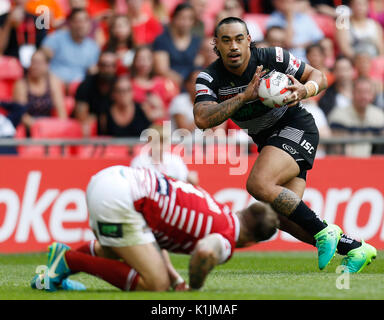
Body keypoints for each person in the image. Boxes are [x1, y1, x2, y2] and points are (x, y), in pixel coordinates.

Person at [193, 17, 376, 272]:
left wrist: (305, 90)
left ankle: (325, 232)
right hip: (269, 141)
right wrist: (245, 96)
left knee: (258, 184)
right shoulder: (209, 78)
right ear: (216, 45)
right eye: (226, 41)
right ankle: (355, 248)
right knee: (279, 216)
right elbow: (202, 119)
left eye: (238, 39)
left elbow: (318, 76)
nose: (233, 46)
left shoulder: (272, 57)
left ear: (248, 40)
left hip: (297, 127)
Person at [31, 165, 280, 291]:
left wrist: (177, 279)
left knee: (127, 252)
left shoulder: (216, 208)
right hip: (121, 197)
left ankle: (55, 268)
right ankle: (69, 261)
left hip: (113, 178)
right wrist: (194, 288)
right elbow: (205, 251)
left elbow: (156, 240)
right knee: (155, 283)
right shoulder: (226, 238)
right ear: (251, 242)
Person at [328, 77, 384, 157]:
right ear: (353, 93)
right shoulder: (339, 115)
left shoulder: (379, 115)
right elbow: (337, 149)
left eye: (367, 92)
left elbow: (383, 145)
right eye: (360, 92)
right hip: (346, 163)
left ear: (372, 95)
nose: (364, 96)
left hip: (373, 164)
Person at [12, 49, 67, 134]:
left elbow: (61, 111)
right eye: (33, 62)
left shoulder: (53, 82)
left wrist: (59, 128)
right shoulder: (21, 84)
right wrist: (38, 127)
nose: (35, 66)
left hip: (49, 127)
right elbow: (21, 114)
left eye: (39, 63)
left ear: (47, 65)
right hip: (29, 128)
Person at [41, 8, 100, 85]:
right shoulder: (56, 39)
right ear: (70, 23)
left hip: (79, 88)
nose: (81, 25)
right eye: (78, 21)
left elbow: (92, 71)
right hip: (54, 84)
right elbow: (41, 59)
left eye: (85, 21)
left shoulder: (92, 47)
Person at [152, 3, 202, 88]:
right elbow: (161, 69)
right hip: (169, 84)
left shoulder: (197, 41)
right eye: (182, 18)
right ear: (174, 18)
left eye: (189, 19)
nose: (185, 22)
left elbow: (199, 64)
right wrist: (184, 83)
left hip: (192, 85)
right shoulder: (162, 40)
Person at [131, 124, 199, 185]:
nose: (159, 146)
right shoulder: (139, 162)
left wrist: (191, 179)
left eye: (163, 141)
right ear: (148, 142)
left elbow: (187, 183)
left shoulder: (175, 160)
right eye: (155, 141)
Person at [98, 75, 163, 137]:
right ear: (113, 94)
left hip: (140, 148)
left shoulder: (143, 109)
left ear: (132, 92)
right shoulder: (105, 115)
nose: (123, 94)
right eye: (119, 91)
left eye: (127, 90)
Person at [74, 50, 117, 136]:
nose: (107, 69)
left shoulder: (120, 86)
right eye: (104, 65)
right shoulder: (86, 85)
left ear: (115, 68)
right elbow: (81, 117)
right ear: (98, 66)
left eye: (111, 66)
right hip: (90, 131)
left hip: (114, 129)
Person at [0, 0, 47, 68]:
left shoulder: (38, 20)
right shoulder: (2, 19)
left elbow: (42, 49)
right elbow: (1, 48)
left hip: (32, 65)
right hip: (9, 64)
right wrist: (8, 24)